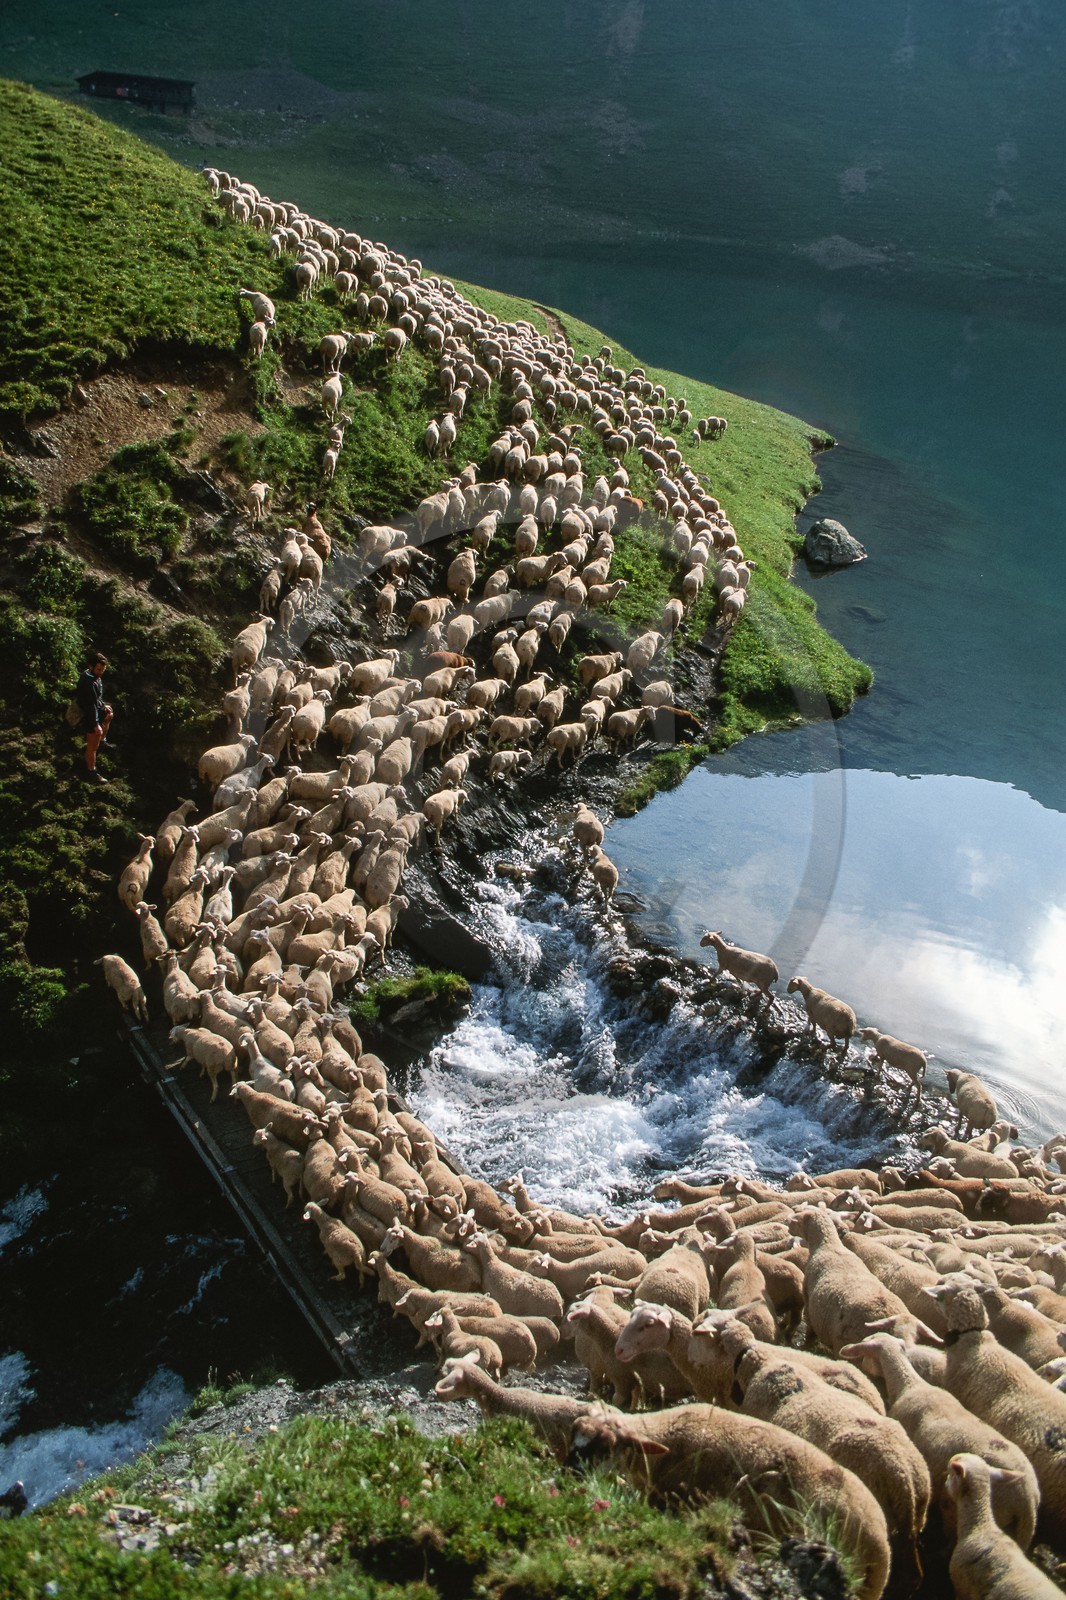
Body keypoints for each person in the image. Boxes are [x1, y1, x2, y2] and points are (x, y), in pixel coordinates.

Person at [76, 651, 113, 783]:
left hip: (96, 708)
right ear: (91, 666)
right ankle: (90, 772)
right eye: (98, 669)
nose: (101, 672)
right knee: (92, 746)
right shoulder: (88, 683)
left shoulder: (94, 676)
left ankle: (102, 741)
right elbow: (89, 706)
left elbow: (97, 697)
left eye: (103, 670)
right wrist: (96, 724)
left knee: (109, 714)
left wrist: (103, 706)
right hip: (88, 715)